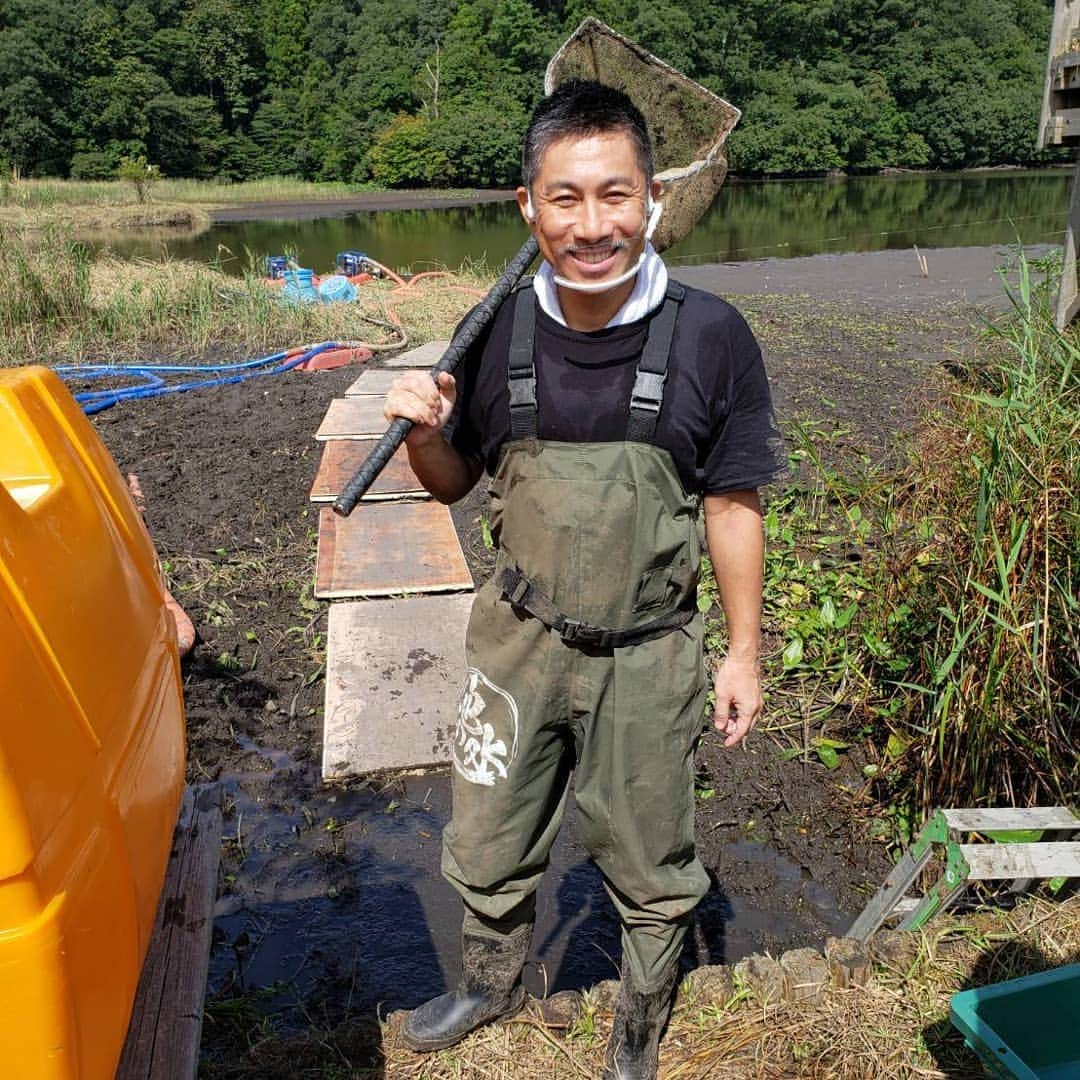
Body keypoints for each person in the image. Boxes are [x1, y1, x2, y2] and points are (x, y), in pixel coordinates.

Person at [383, 79, 786, 1079]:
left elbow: (734, 504)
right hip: (517, 644)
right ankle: (487, 983)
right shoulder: (495, 333)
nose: (593, 223)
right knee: (484, 835)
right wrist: (421, 437)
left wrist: (743, 652)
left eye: (616, 195)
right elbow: (450, 484)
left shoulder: (712, 336)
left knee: (652, 868)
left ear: (652, 200)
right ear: (530, 206)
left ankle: (637, 1035)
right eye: (566, 197)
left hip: (650, 656)